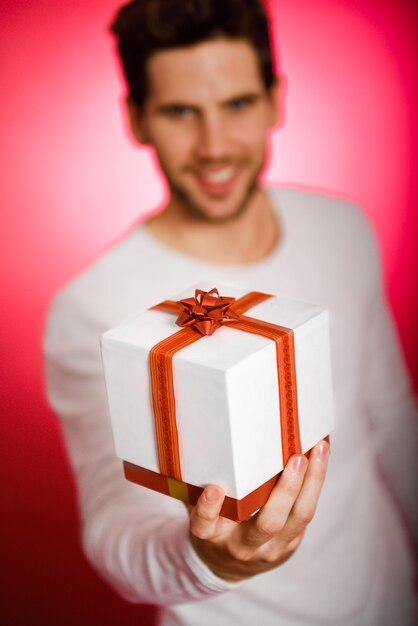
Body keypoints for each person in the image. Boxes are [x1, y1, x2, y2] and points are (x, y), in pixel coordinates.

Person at [44, 0, 418, 624]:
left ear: (275, 100)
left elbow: (391, 424)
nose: (214, 147)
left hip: (389, 598)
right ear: (136, 119)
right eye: (180, 112)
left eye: (238, 105)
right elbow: (113, 525)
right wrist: (216, 561)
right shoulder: (93, 307)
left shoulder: (341, 229)